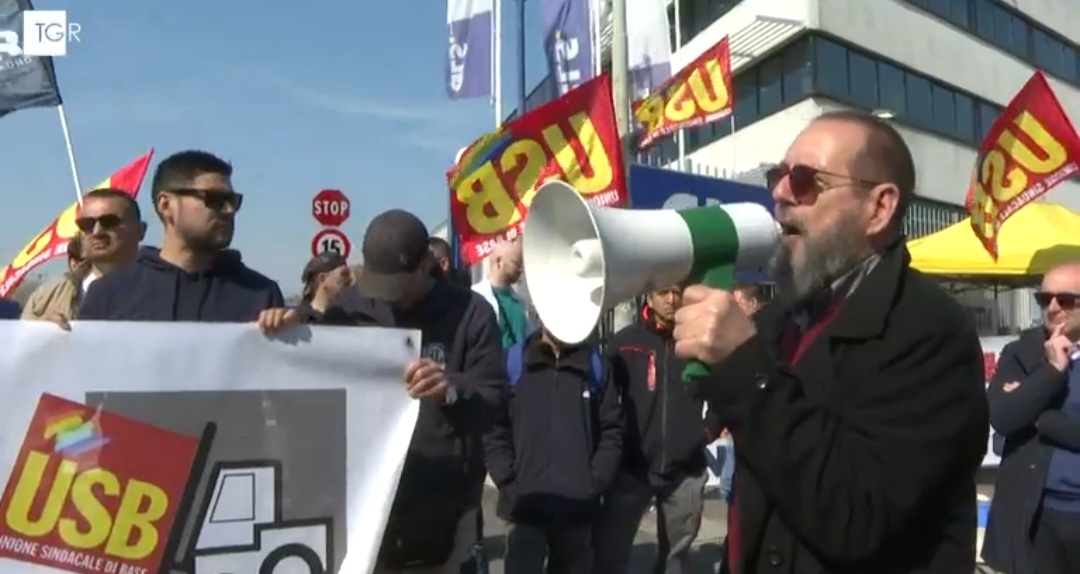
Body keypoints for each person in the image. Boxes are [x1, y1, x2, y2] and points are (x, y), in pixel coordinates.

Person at [670, 110, 987, 574]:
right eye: (779, 176)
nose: (779, 192)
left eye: (805, 180)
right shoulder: (780, 318)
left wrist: (745, 369)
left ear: (878, 208)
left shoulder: (932, 330)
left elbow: (857, 516)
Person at [276, 209, 503, 574]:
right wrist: (290, 333)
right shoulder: (350, 309)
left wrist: (450, 390)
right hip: (364, 498)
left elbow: (491, 400)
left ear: (426, 264)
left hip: (440, 502)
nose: (388, 300)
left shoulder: (471, 315)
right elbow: (316, 384)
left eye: (397, 285)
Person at [593, 285, 720, 574]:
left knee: (675, 558)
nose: (671, 300)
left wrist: (705, 434)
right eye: (664, 293)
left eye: (677, 293)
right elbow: (606, 401)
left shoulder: (697, 344)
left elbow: (721, 394)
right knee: (610, 554)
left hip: (684, 470)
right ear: (649, 296)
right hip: (631, 468)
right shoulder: (624, 344)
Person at [77, 150, 283, 322]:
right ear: (166, 205)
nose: (229, 210)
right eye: (215, 199)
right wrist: (50, 334)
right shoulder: (108, 295)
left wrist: (290, 334)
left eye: (233, 201)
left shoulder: (260, 295)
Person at [485, 323, 622, 574]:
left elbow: (612, 431)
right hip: (524, 507)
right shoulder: (513, 362)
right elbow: (494, 427)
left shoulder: (596, 366)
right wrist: (507, 478)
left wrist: (594, 481)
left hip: (577, 509)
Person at [983, 263, 1080, 574]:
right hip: (1033, 513)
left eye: (1065, 300)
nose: (1053, 308)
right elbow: (1003, 417)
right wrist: (1052, 372)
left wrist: (1037, 416)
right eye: (1044, 299)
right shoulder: (1020, 352)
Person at [23, 188, 145, 322]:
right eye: (87, 224)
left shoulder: (164, 289)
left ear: (140, 231)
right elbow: (16, 341)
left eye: (109, 223)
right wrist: (37, 334)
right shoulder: (47, 297)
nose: (96, 232)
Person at [472, 239, 532, 348]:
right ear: (499, 261)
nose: (521, 269)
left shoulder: (520, 303)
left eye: (522, 264)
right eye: (516, 263)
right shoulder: (476, 297)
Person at [295, 252, 351, 319]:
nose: (350, 281)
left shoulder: (346, 318)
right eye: (344, 275)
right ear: (322, 279)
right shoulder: (299, 318)